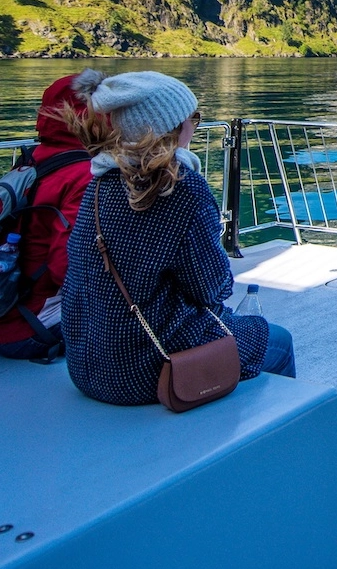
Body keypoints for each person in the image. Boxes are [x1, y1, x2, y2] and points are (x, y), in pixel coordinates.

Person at [61, 71, 296, 405]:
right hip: (149, 370)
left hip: (88, 366)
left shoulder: (100, 183)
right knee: (276, 340)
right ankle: (258, 430)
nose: (195, 127)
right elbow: (212, 290)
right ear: (172, 127)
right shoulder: (183, 188)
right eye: (193, 118)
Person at [0, 72, 107, 362]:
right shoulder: (85, 175)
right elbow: (67, 269)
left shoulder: (32, 160)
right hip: (31, 327)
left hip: (9, 309)